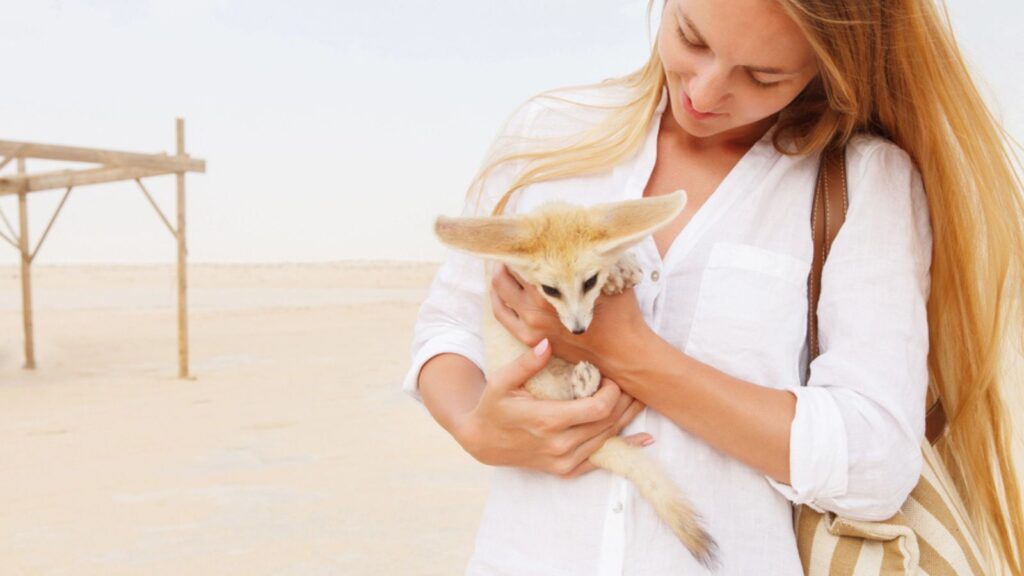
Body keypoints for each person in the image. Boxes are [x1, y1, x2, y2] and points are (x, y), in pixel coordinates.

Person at [403, 0, 1024, 573]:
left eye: (762, 76)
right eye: (691, 38)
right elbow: (448, 327)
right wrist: (475, 427)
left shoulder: (861, 183)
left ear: (830, 66)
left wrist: (628, 354)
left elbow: (875, 458)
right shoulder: (552, 133)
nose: (703, 92)